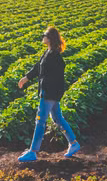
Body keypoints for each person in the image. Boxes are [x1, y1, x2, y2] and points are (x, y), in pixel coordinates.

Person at [16, 26, 80, 162]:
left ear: (50, 38)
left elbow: (58, 77)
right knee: (58, 119)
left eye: (44, 35)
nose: (42, 37)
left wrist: (53, 93)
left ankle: (33, 152)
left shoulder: (54, 56)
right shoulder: (48, 53)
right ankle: (73, 144)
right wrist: (25, 78)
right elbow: (38, 67)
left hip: (49, 93)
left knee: (40, 122)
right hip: (50, 93)